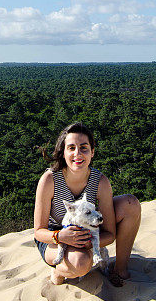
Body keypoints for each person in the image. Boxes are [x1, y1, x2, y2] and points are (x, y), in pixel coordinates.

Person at [34, 122, 141, 287]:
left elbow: (110, 234)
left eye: (84, 148)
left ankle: (119, 269)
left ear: (92, 152)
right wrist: (60, 237)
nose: (78, 154)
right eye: (71, 148)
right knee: (80, 263)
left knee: (130, 204)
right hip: (55, 237)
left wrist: (88, 242)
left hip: (88, 230)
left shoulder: (100, 181)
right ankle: (58, 269)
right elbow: (39, 232)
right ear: (63, 152)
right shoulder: (49, 180)